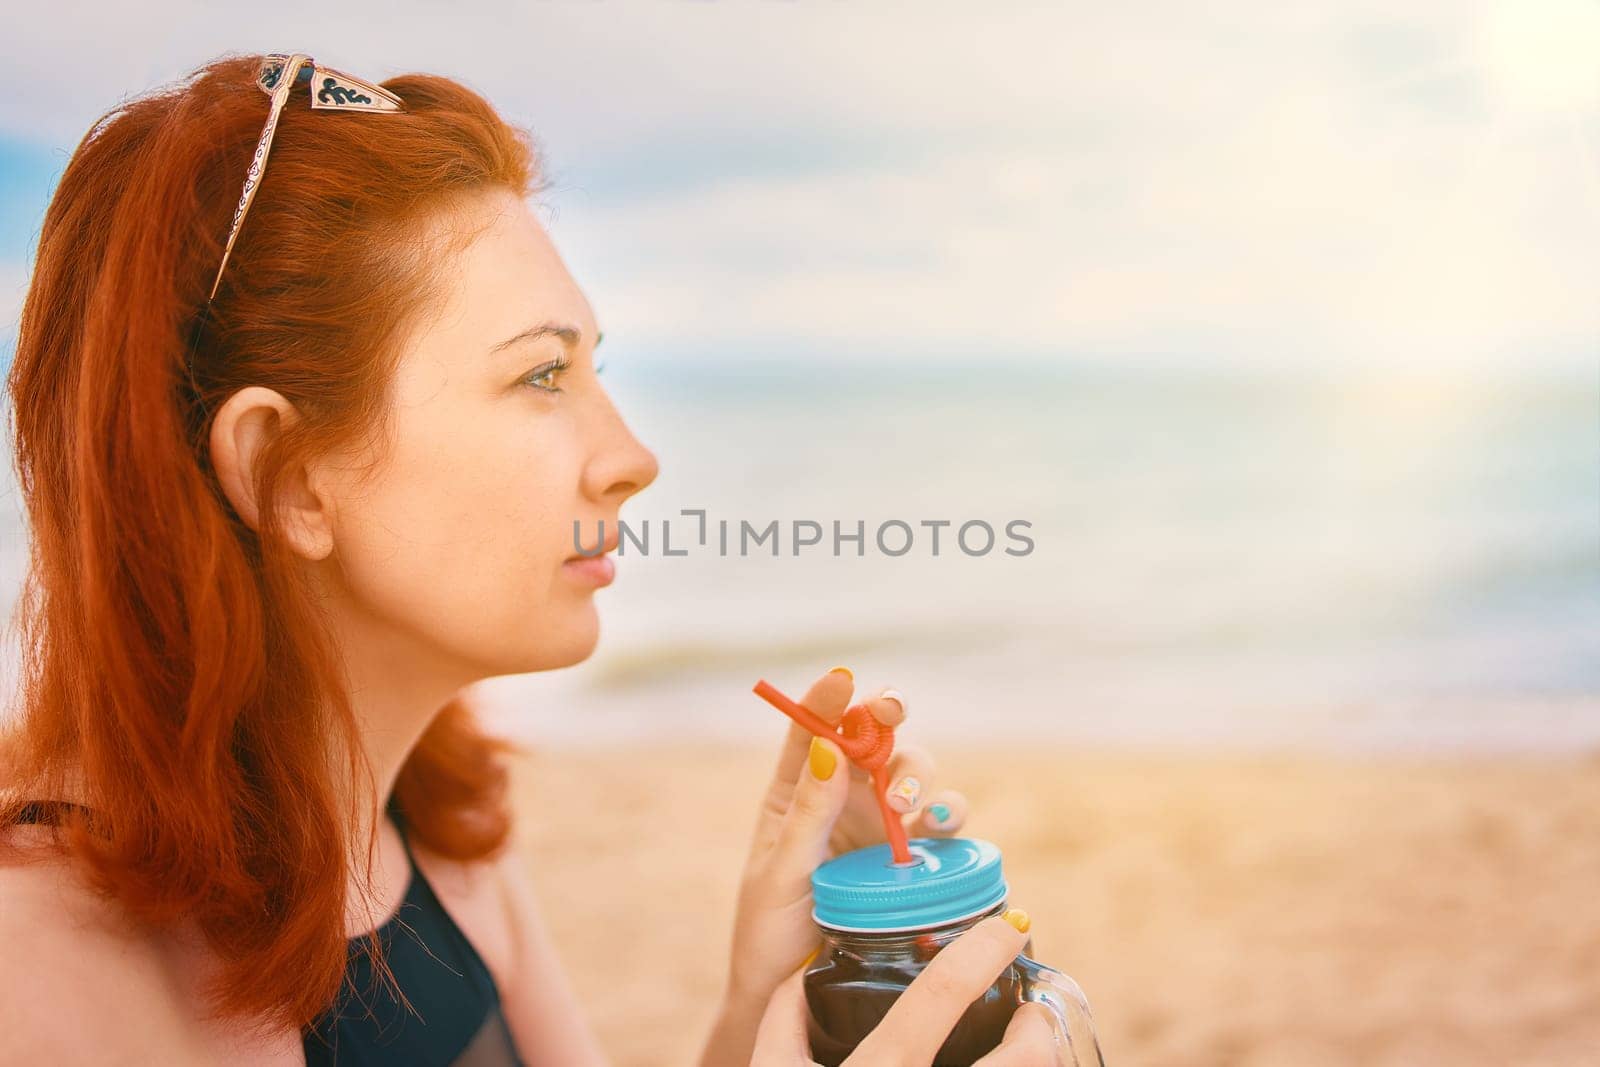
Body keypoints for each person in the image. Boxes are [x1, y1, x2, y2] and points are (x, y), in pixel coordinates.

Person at [0, 51, 1061, 1065]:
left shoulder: (438, 832)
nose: (633, 459)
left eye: (592, 368)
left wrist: (759, 986)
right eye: (541, 377)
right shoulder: (36, 974)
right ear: (285, 474)